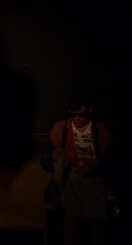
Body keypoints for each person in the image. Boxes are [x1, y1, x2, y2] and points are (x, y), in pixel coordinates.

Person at [48, 92, 114, 245]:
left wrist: (97, 164)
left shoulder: (101, 131)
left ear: (90, 110)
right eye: (73, 115)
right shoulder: (61, 129)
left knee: (98, 214)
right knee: (71, 214)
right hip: (70, 177)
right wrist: (53, 156)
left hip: (94, 179)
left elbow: (112, 159)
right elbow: (46, 159)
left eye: (81, 115)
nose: (77, 118)